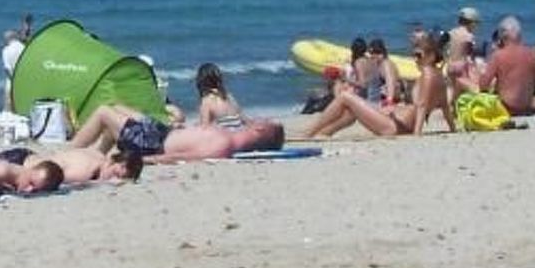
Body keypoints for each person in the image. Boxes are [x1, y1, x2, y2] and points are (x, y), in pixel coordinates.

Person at [70, 104, 285, 160]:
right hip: (161, 132)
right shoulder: (231, 134)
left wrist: (149, 161)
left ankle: (68, 153)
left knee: (103, 113)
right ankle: (97, 156)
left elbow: (183, 156)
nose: (260, 118)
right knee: (117, 108)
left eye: (265, 121)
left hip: (153, 144)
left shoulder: (225, 145)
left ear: (260, 130)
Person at [300, 70, 414, 140]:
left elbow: (390, 114)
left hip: (391, 129)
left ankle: (308, 133)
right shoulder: (405, 106)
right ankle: (323, 133)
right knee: (351, 110)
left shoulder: (412, 107)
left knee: (345, 97)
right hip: (392, 126)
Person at [485, 17, 535, 116]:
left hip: (506, 108)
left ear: (502, 37)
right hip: (526, 108)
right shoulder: (531, 54)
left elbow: (483, 85)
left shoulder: (498, 55)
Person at [408, 33, 454, 133]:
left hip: (407, 120)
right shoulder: (439, 74)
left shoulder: (427, 73)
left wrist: (417, 132)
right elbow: (445, 106)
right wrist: (452, 128)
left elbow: (422, 105)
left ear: (432, 56)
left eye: (418, 55)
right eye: (413, 56)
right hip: (411, 118)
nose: (415, 59)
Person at [193, 63, 246, 127]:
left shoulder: (207, 101)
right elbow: (242, 117)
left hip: (225, 133)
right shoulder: (228, 96)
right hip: (238, 128)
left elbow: (205, 126)